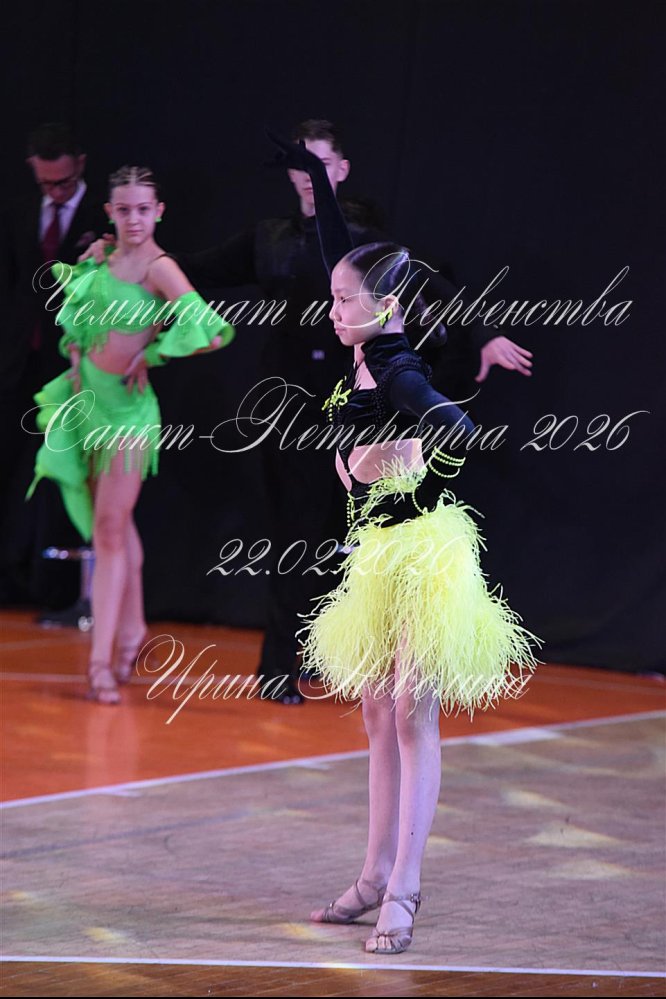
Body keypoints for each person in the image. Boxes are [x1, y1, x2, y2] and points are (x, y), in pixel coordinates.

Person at [267, 131, 543, 955]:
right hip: (376, 552)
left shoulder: (393, 365)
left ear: (383, 310)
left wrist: (413, 429)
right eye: (333, 299)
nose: (332, 311)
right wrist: (314, 176)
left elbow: (455, 426)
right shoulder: (366, 338)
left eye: (343, 303)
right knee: (374, 710)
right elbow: (341, 256)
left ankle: (405, 889)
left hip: (421, 553)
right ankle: (371, 874)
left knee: (411, 714)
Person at [26, 165, 235, 704]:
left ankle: (100, 663)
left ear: (159, 212)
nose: (134, 219)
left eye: (143, 209)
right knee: (112, 528)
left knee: (109, 529)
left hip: (128, 417)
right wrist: (76, 356)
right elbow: (77, 318)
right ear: (110, 212)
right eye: (124, 209)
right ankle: (132, 630)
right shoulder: (100, 258)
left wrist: (156, 352)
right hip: (85, 406)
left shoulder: (160, 268)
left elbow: (212, 331)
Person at [1, 122, 108, 606]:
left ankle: (58, 589)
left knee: (63, 468)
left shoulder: (102, 214)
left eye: (64, 182)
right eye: (46, 183)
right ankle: (8, 575)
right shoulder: (20, 210)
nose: (55, 191)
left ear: (80, 165)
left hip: (73, 357)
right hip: (18, 358)